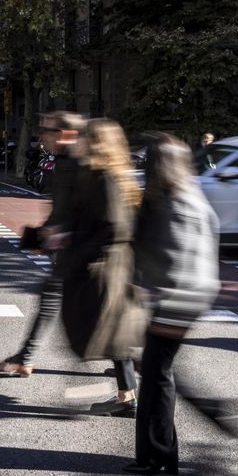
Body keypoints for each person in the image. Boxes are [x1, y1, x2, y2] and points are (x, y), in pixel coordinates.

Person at [126, 133, 221, 475]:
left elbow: (169, 255)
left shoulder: (168, 202)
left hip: (176, 298)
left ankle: (155, 456)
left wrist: (145, 290)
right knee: (159, 373)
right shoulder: (190, 192)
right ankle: (164, 451)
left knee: (155, 377)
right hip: (193, 295)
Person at [60, 118, 146, 417]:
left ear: (96, 142)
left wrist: (80, 257)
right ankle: (127, 395)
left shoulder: (104, 177)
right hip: (109, 267)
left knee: (103, 331)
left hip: (104, 269)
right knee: (114, 334)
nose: (78, 142)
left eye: (83, 137)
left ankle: (127, 395)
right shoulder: (101, 174)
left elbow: (113, 227)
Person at [0, 111, 85, 377]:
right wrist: (44, 236)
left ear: (65, 135)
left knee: (92, 311)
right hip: (68, 249)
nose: (42, 137)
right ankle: (26, 356)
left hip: (81, 252)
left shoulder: (79, 164)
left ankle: (129, 364)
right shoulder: (64, 162)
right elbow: (61, 208)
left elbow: (84, 211)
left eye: (48, 131)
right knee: (53, 301)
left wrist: (57, 235)